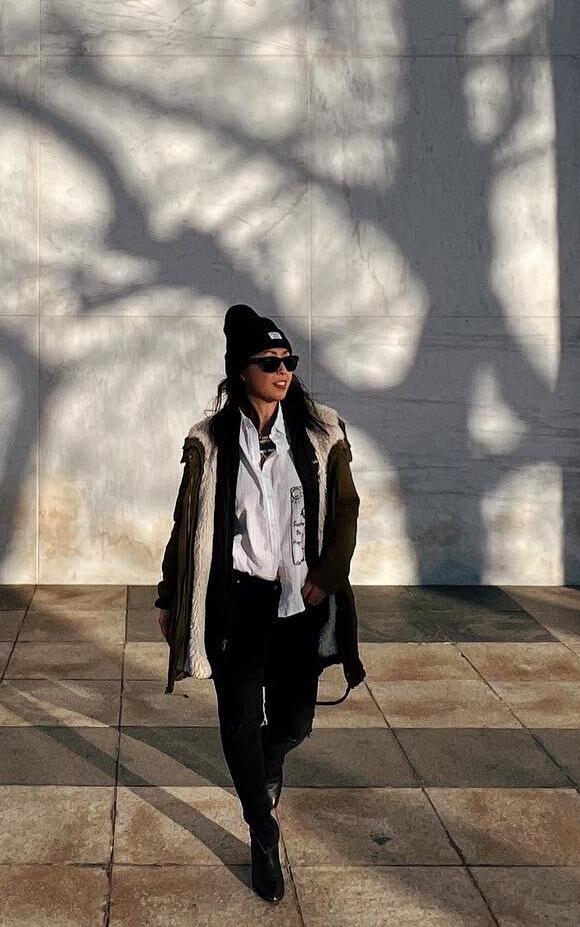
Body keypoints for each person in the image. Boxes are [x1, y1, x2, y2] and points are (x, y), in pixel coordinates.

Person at [154, 303, 365, 904]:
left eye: (289, 362)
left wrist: (326, 575)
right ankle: (262, 830)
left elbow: (346, 510)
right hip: (238, 601)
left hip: (300, 599)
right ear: (240, 370)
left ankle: (271, 757)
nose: (283, 371)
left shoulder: (323, 432)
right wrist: (171, 594)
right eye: (270, 362)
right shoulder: (211, 440)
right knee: (238, 719)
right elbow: (186, 522)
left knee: (295, 719)